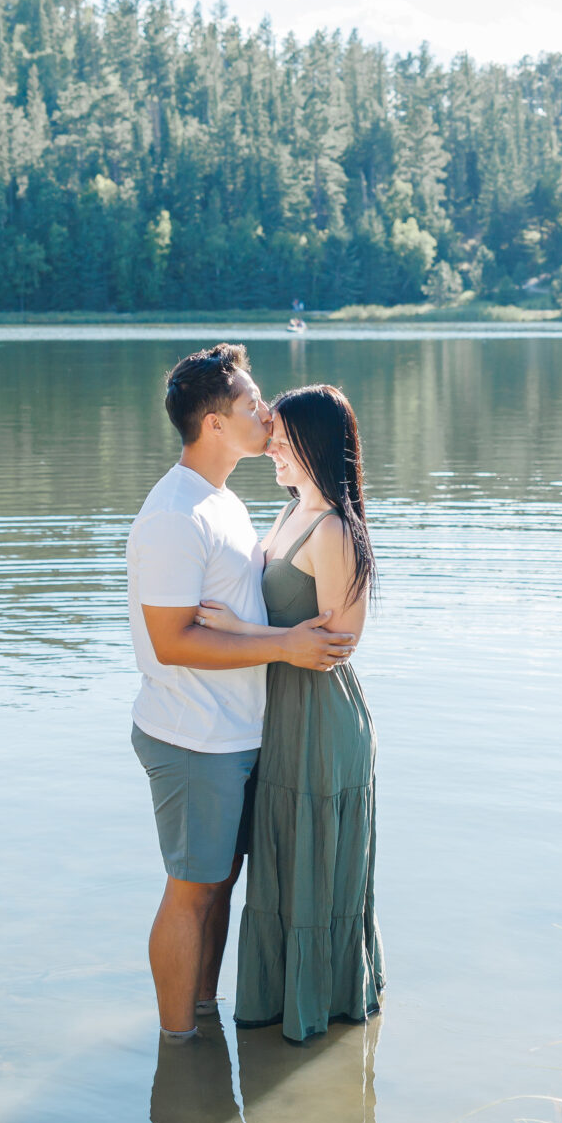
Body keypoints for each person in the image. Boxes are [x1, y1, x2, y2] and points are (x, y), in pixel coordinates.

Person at [128, 345, 356, 1042]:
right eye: (251, 403)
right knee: (192, 890)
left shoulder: (220, 500)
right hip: (194, 736)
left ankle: (201, 1020)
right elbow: (172, 641)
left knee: (218, 886)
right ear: (214, 424)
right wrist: (283, 646)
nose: (266, 411)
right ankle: (177, 1043)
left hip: (235, 732)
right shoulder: (175, 514)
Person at [195, 384, 383, 1042]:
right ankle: (283, 1000)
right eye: (270, 433)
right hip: (279, 713)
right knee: (283, 860)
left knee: (313, 861)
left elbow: (333, 648)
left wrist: (236, 632)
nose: (270, 445)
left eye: (281, 436)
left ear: (313, 442)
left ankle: (318, 1011)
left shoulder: (332, 527)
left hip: (321, 719)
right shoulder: (289, 513)